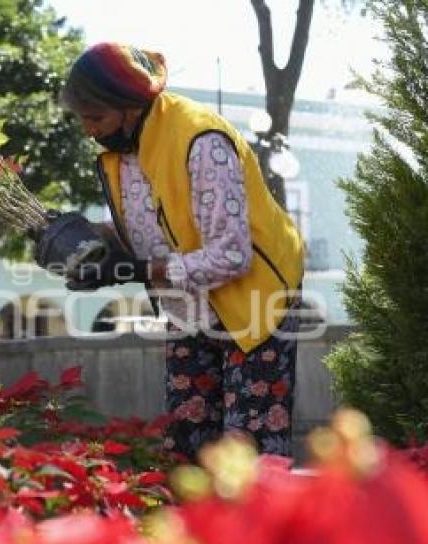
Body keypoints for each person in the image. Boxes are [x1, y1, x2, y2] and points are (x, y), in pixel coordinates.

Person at [55, 43, 304, 460]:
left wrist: (135, 271)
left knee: (249, 455)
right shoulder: (125, 152)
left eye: (95, 117)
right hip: (190, 309)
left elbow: (231, 256)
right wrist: (74, 240)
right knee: (188, 451)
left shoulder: (201, 140)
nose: (88, 130)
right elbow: (145, 231)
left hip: (257, 305)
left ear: (128, 106)